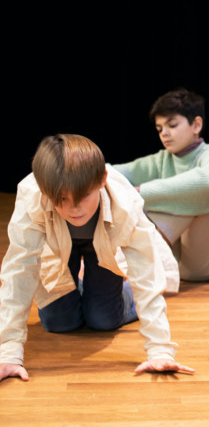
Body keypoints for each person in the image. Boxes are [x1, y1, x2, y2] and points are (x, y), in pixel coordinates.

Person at [0, 134, 193, 382]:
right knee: (59, 323)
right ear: (45, 189)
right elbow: (19, 271)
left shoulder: (125, 203)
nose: (74, 209)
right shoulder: (31, 197)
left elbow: (145, 271)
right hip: (57, 247)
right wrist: (8, 352)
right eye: (61, 199)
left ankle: (121, 293)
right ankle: (85, 286)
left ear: (102, 180)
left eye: (84, 196)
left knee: (103, 320)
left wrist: (159, 349)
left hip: (104, 247)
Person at [113, 88, 209, 282]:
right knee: (122, 190)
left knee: (195, 196)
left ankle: (134, 261)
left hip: (205, 264)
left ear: (196, 125)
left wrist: (140, 192)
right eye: (160, 128)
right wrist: (87, 170)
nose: (165, 134)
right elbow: (119, 172)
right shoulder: (162, 159)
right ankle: (120, 262)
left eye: (172, 125)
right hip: (170, 260)